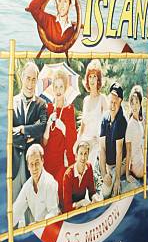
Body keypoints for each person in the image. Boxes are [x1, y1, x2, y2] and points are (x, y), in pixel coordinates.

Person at [12, 61, 47, 201]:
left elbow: (42, 127)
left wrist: (22, 129)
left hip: (32, 170)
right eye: (28, 78)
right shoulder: (11, 102)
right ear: (22, 77)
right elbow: (7, 133)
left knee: (32, 217)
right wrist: (28, 135)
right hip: (14, 166)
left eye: (34, 80)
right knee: (12, 214)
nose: (30, 84)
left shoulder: (41, 104)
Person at [43, 68, 77, 203]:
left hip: (62, 161)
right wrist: (48, 123)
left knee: (61, 197)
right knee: (48, 198)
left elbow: (73, 140)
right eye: (55, 86)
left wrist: (64, 129)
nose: (58, 90)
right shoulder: (48, 108)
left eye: (61, 87)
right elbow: (44, 142)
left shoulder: (69, 109)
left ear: (65, 88)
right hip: (48, 158)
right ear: (52, 88)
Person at [12, 144, 59, 228]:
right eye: (31, 164)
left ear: (42, 161)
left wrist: (38, 224)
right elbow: (16, 211)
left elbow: (53, 213)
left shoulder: (50, 182)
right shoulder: (27, 186)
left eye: (37, 163)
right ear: (28, 166)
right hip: (38, 231)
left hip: (54, 230)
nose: (34, 168)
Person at [99, 82, 127, 198]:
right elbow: (101, 148)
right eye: (111, 102)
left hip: (120, 162)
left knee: (114, 191)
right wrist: (104, 173)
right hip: (108, 164)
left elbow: (119, 152)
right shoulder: (105, 118)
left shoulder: (122, 121)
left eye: (115, 102)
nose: (112, 105)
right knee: (105, 193)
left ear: (120, 101)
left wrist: (117, 180)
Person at [77, 60, 108, 165]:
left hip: (96, 142)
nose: (92, 80)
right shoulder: (85, 100)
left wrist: (100, 138)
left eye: (95, 76)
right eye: (90, 76)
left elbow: (109, 123)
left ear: (98, 79)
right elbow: (82, 126)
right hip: (84, 142)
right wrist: (77, 142)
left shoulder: (102, 99)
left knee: (90, 167)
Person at [62, 139, 101, 212]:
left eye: (86, 153)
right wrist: (81, 203)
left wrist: (95, 197)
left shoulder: (89, 168)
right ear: (76, 156)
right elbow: (67, 207)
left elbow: (92, 191)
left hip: (82, 208)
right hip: (69, 212)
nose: (83, 157)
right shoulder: (68, 175)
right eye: (81, 153)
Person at [125, 85, 145, 183]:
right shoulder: (131, 125)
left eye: (137, 103)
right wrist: (127, 174)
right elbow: (128, 151)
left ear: (140, 104)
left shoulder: (139, 122)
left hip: (142, 159)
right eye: (132, 103)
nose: (134, 106)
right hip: (136, 165)